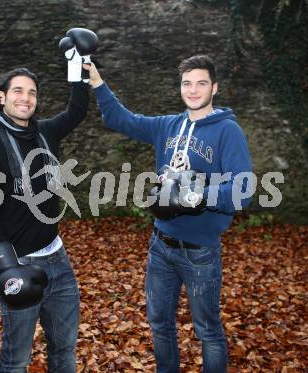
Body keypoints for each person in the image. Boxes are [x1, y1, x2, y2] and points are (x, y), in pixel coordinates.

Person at [85, 55, 252, 373]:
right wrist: (97, 82)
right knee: (160, 324)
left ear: (214, 88)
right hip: (160, 246)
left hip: (200, 251)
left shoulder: (227, 131)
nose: (193, 90)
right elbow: (122, 120)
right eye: (187, 83)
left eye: (201, 83)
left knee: (208, 332)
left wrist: (196, 194)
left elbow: (242, 190)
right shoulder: (169, 126)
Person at [0, 66, 89, 373]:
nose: (26, 98)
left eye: (32, 92)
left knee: (64, 350)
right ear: (2, 97)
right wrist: (7, 267)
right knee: (16, 360)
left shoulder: (45, 134)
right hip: (20, 262)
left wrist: (76, 65)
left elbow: (77, 110)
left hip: (58, 260)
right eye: (18, 91)